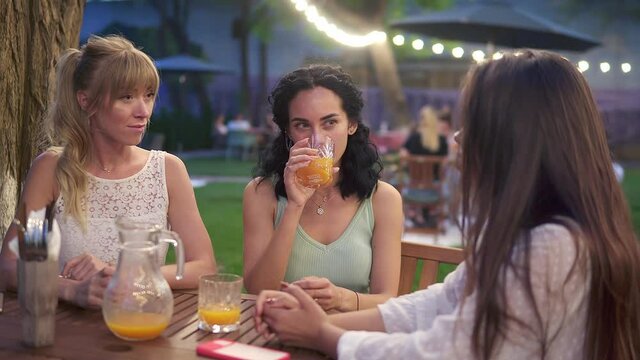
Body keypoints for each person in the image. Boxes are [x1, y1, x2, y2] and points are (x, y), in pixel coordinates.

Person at [253, 50, 640, 359]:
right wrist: (318, 321)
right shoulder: (529, 236)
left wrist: (323, 334)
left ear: (515, 141)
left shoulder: (552, 247)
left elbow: (447, 351)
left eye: (470, 123)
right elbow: (437, 303)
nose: (456, 137)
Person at [0, 35, 217, 309]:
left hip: (143, 328)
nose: (143, 111)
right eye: (126, 97)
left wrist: (125, 275)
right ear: (86, 101)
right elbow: (10, 266)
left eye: (148, 95)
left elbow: (204, 267)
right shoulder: (53, 170)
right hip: (67, 333)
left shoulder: (168, 170)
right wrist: (71, 290)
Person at [243, 64, 403, 312]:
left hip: (349, 338)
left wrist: (342, 299)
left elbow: (387, 300)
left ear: (351, 125)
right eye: (302, 125)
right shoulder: (262, 193)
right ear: (288, 132)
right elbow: (258, 291)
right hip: (282, 333)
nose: (317, 139)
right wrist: (294, 207)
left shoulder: (383, 199)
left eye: (329, 122)